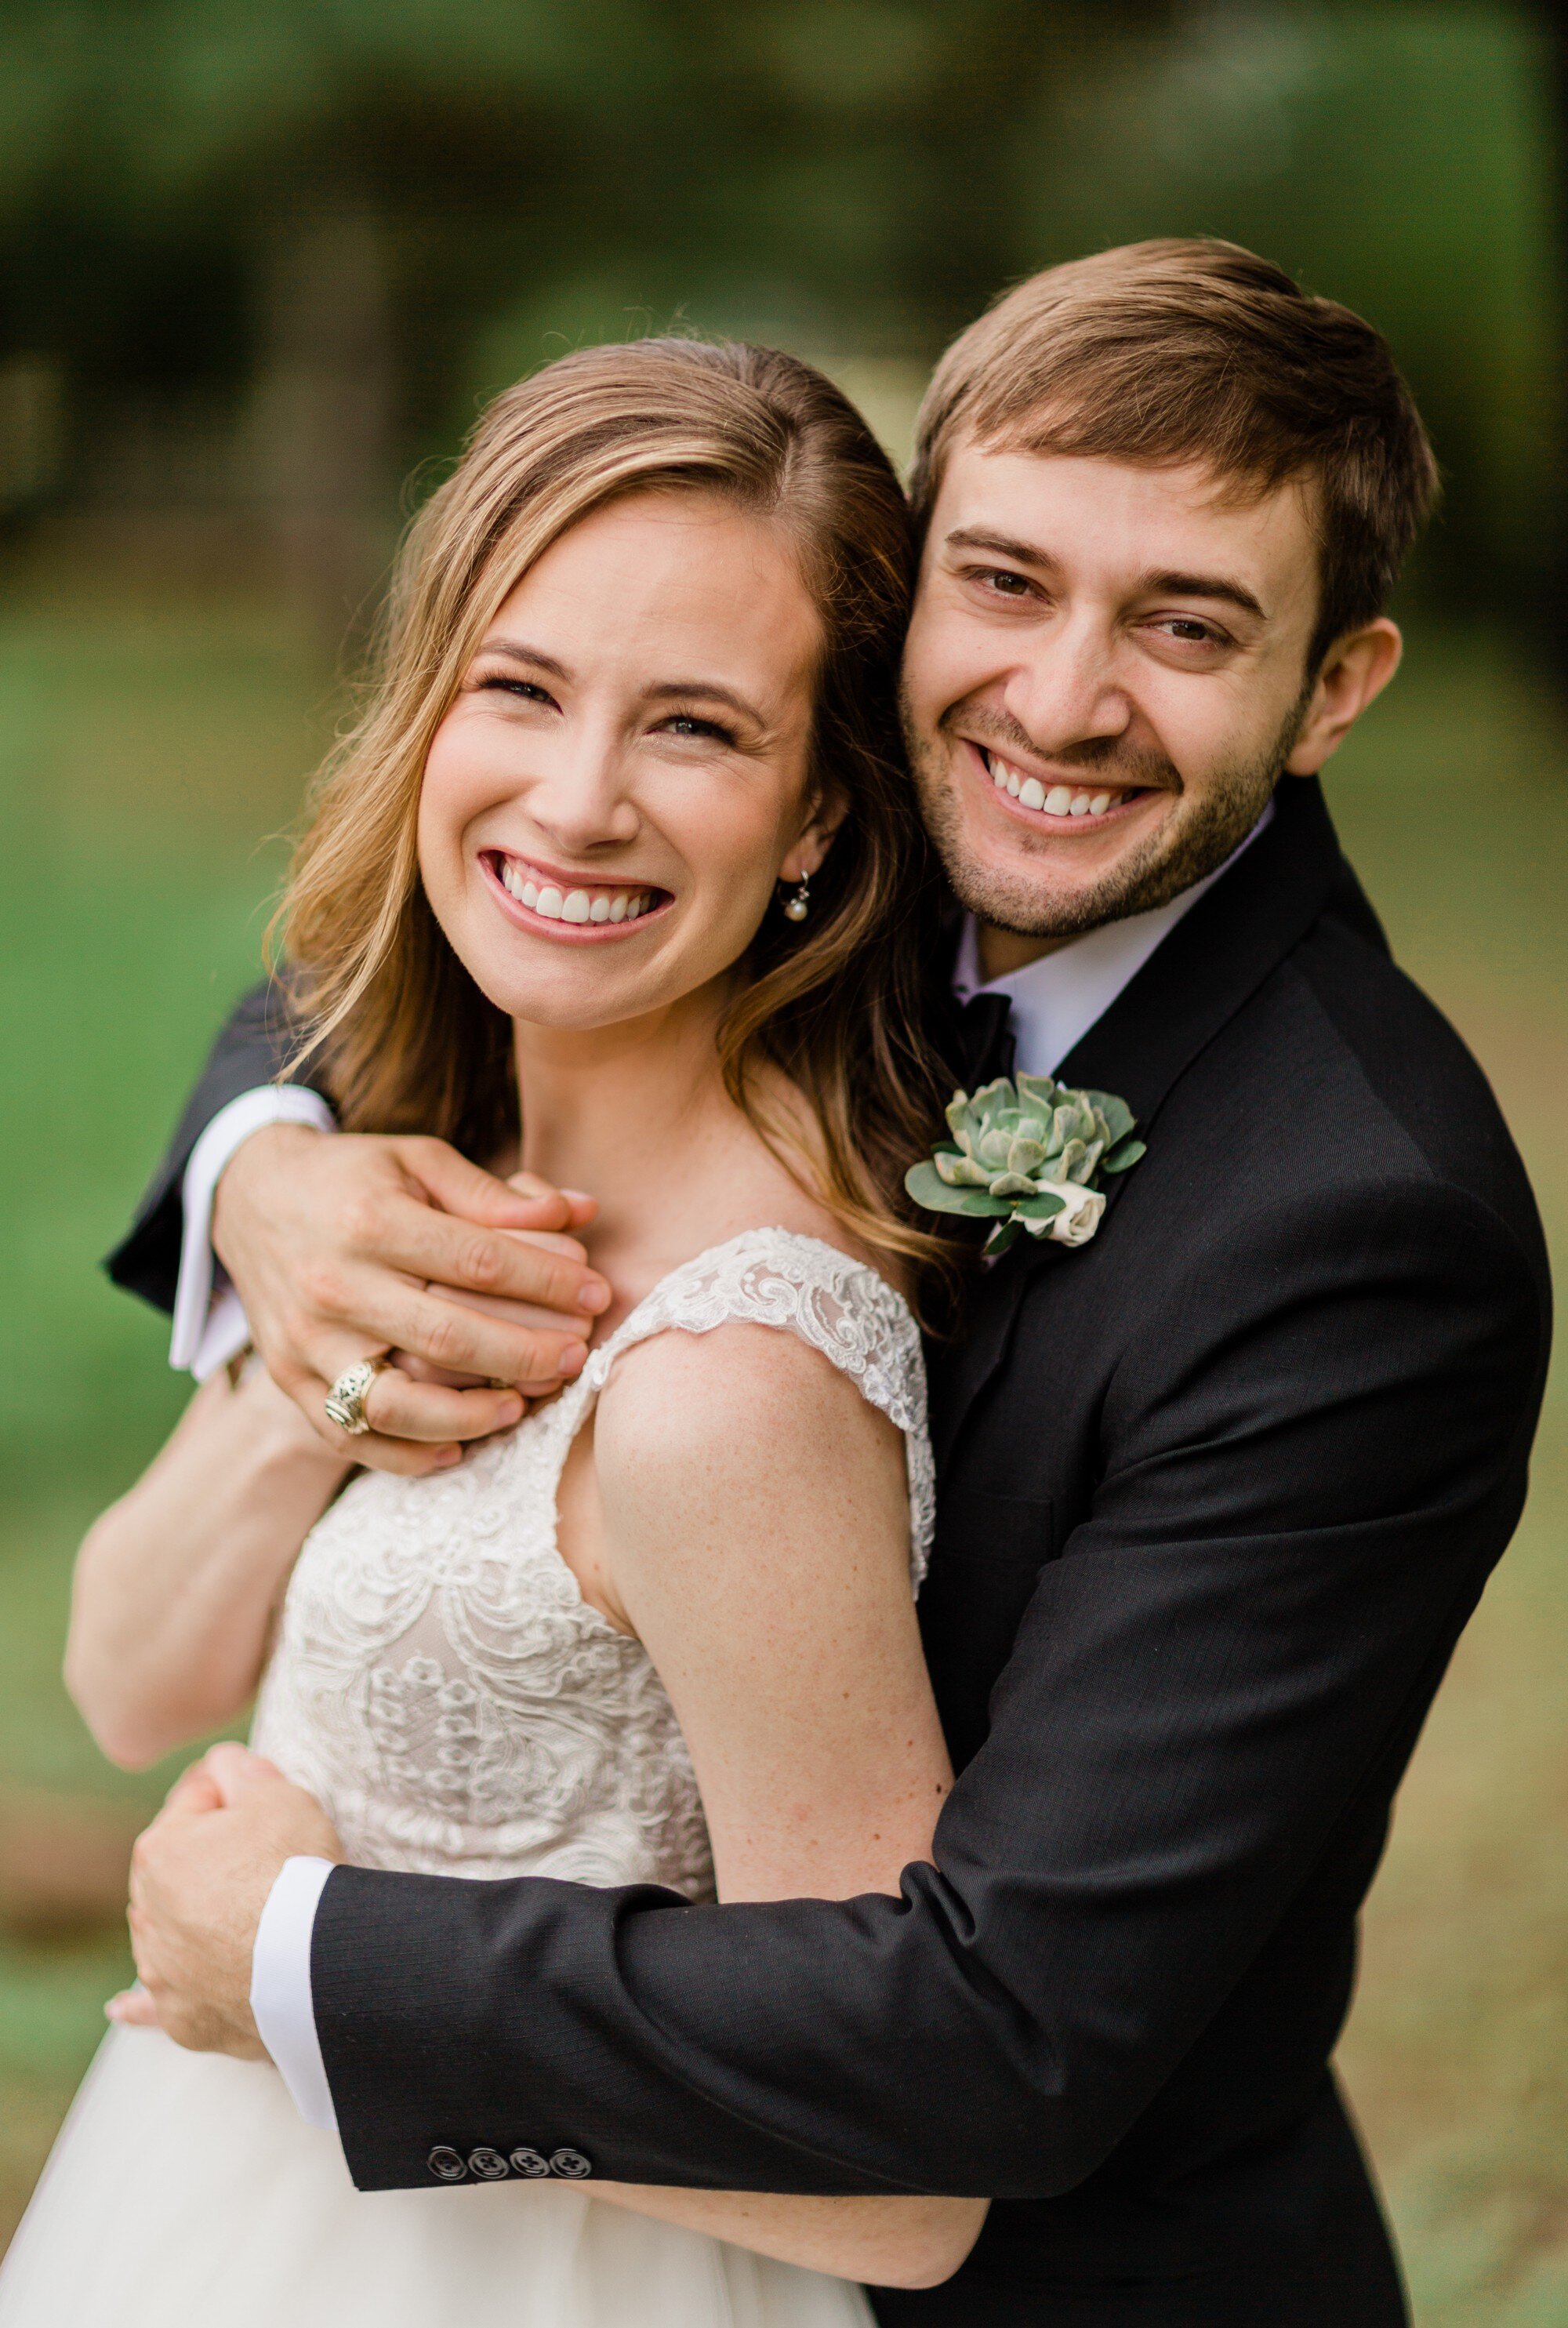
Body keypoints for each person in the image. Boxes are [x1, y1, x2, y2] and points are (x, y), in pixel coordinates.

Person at [29, 242, 1559, 2326]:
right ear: (909, 600)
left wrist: (302, 1956)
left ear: (1340, 685)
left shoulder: (1362, 1227)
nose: (1060, 695)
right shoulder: (833, 814)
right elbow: (455, 904)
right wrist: (266, 1175)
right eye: (1006, 580)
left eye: (1190, 622)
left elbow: (998, 2032)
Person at [0, 338, 992, 2323]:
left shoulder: (734, 1381)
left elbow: (910, 2177)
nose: (578, 797)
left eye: (697, 727)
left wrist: (294, 1970)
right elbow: (126, 1678)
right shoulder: (407, 1170)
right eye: (519, 688)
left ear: (818, 815)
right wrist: (329, 1367)